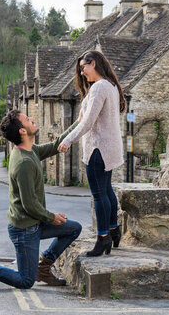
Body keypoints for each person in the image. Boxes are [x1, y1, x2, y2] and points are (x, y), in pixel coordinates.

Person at [0, 110, 82, 289]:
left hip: (35, 223)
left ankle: (43, 269)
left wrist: (80, 122)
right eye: (28, 120)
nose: (32, 119)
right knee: (25, 281)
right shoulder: (24, 162)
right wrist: (52, 216)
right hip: (24, 230)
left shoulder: (30, 151)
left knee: (73, 228)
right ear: (22, 131)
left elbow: (55, 145)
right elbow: (29, 205)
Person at [58, 50, 126, 257]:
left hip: (98, 149)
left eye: (83, 67)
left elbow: (87, 123)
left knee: (99, 195)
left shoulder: (98, 88)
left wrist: (67, 140)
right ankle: (114, 230)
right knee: (107, 191)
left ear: (93, 63)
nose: (82, 72)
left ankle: (103, 237)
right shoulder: (111, 86)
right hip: (110, 147)